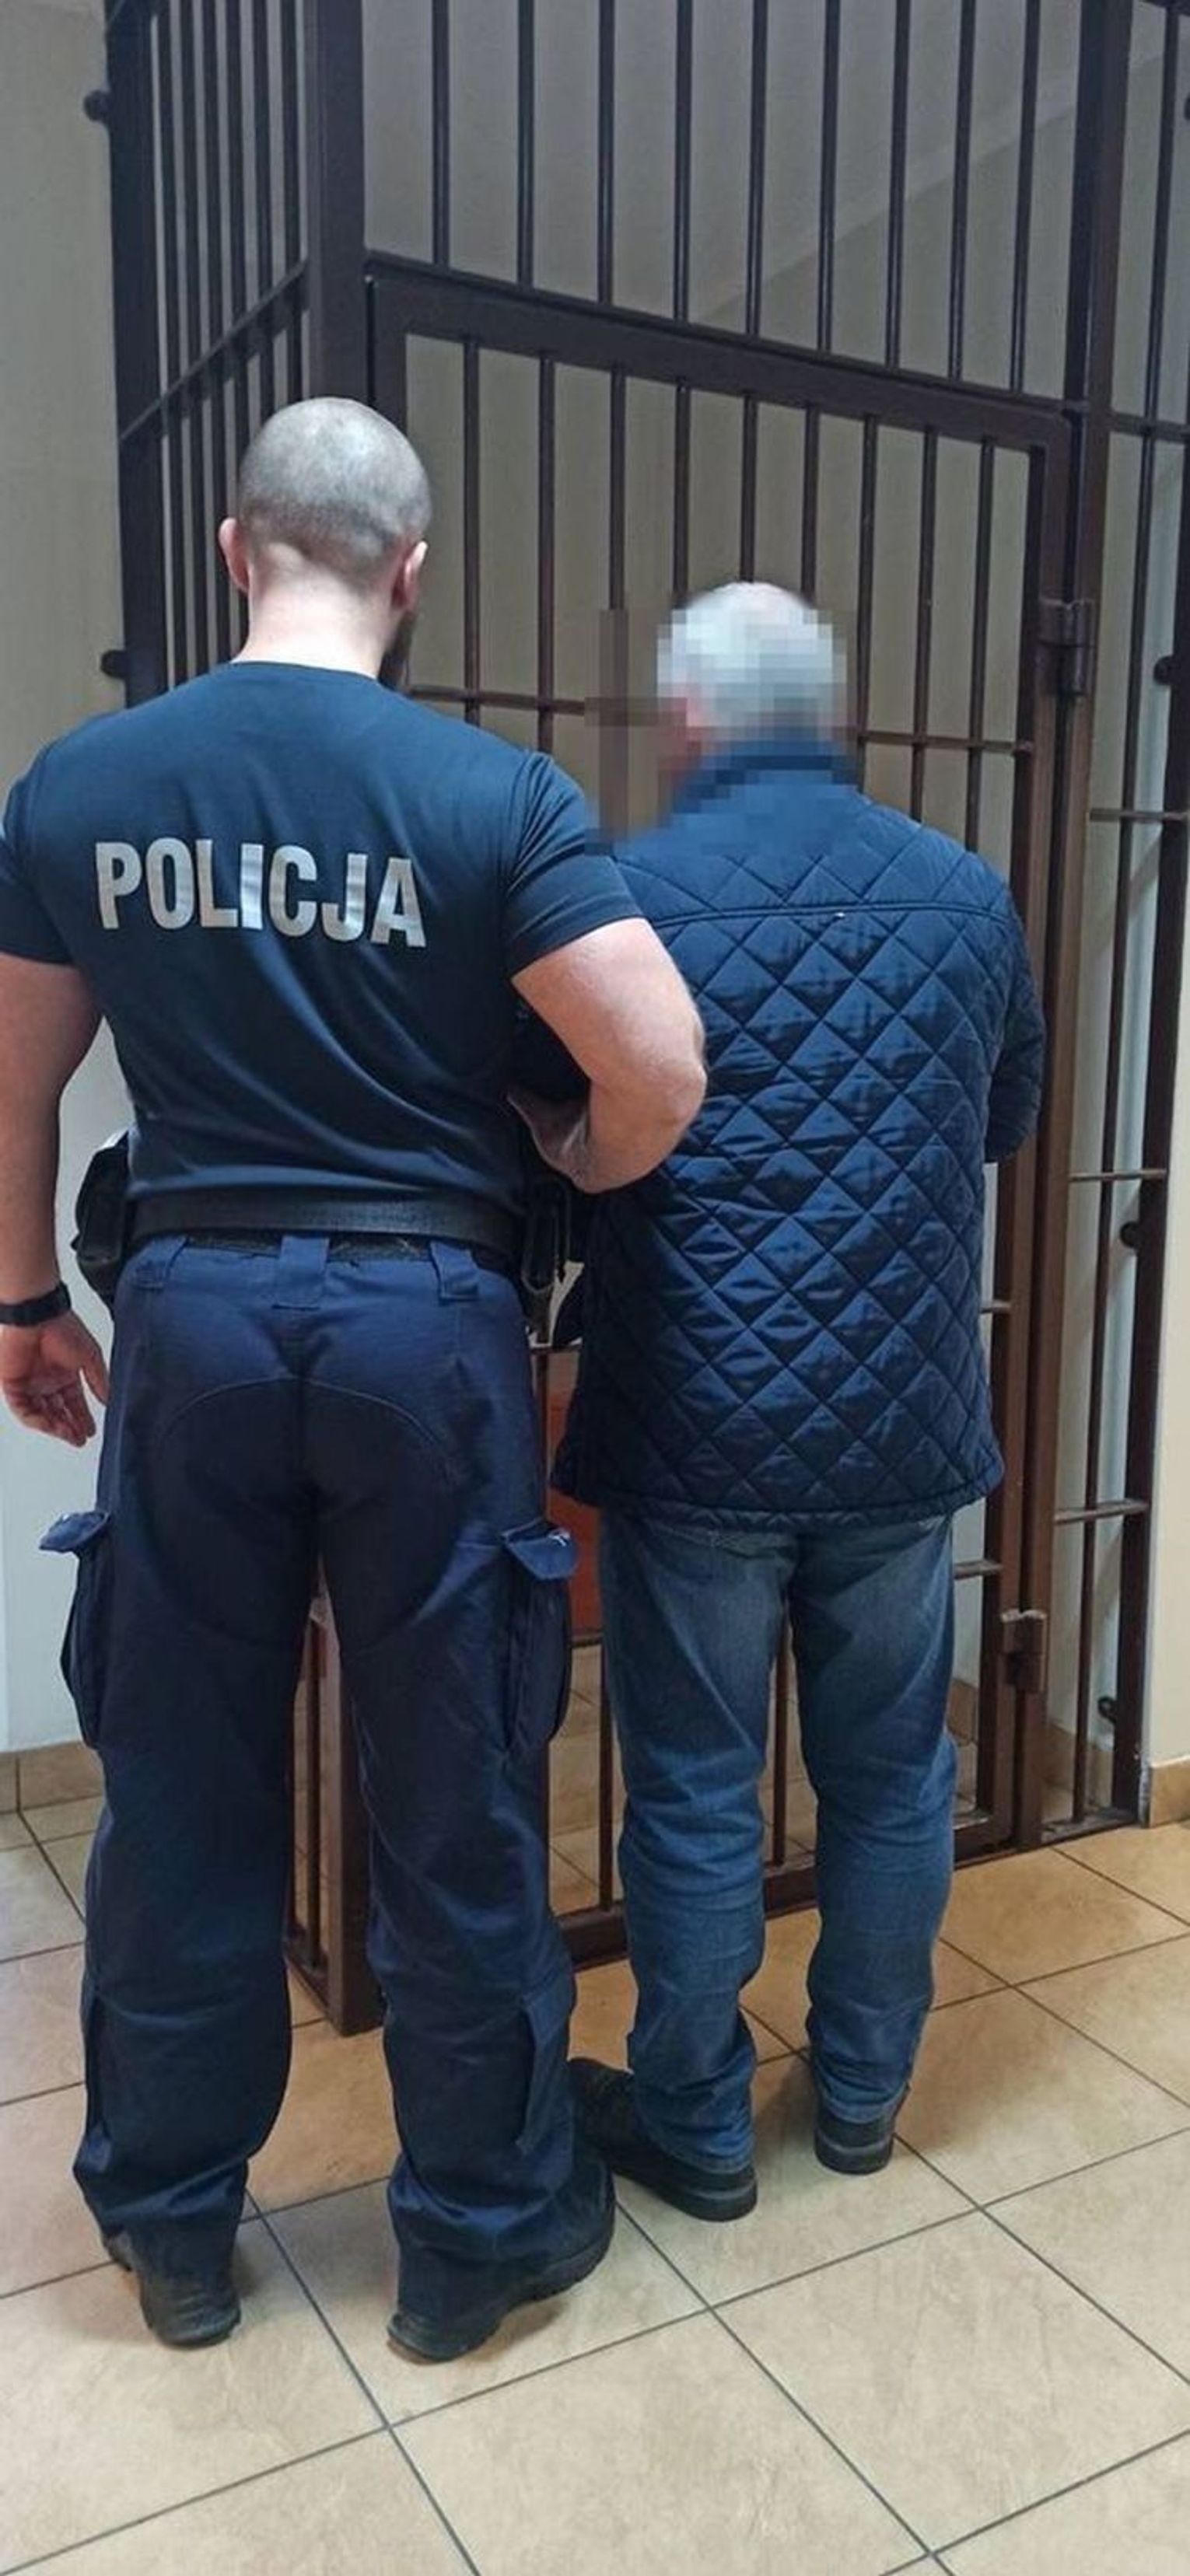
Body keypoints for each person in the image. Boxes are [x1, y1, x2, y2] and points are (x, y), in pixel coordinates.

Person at [0, 397, 705, 2357]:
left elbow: (18, 1081)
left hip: (196, 1318)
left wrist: (20, 1301)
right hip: (426, 1326)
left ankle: (172, 2229)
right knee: (453, 1786)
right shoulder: (494, 796)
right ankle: (478, 2233)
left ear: (235, 550)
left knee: (180, 1783)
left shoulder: (80, 787)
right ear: (412, 572)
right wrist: (570, 1156)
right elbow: (661, 1068)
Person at [555, 582, 1045, 2212]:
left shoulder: (624, 898)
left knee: (696, 1787)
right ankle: (859, 2101)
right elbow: (1004, 1113)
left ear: (692, 717)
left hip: (694, 1427)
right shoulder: (965, 892)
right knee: (894, 1780)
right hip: (901, 1425)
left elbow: (559, 1128)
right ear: (827, 712)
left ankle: (697, 2128)